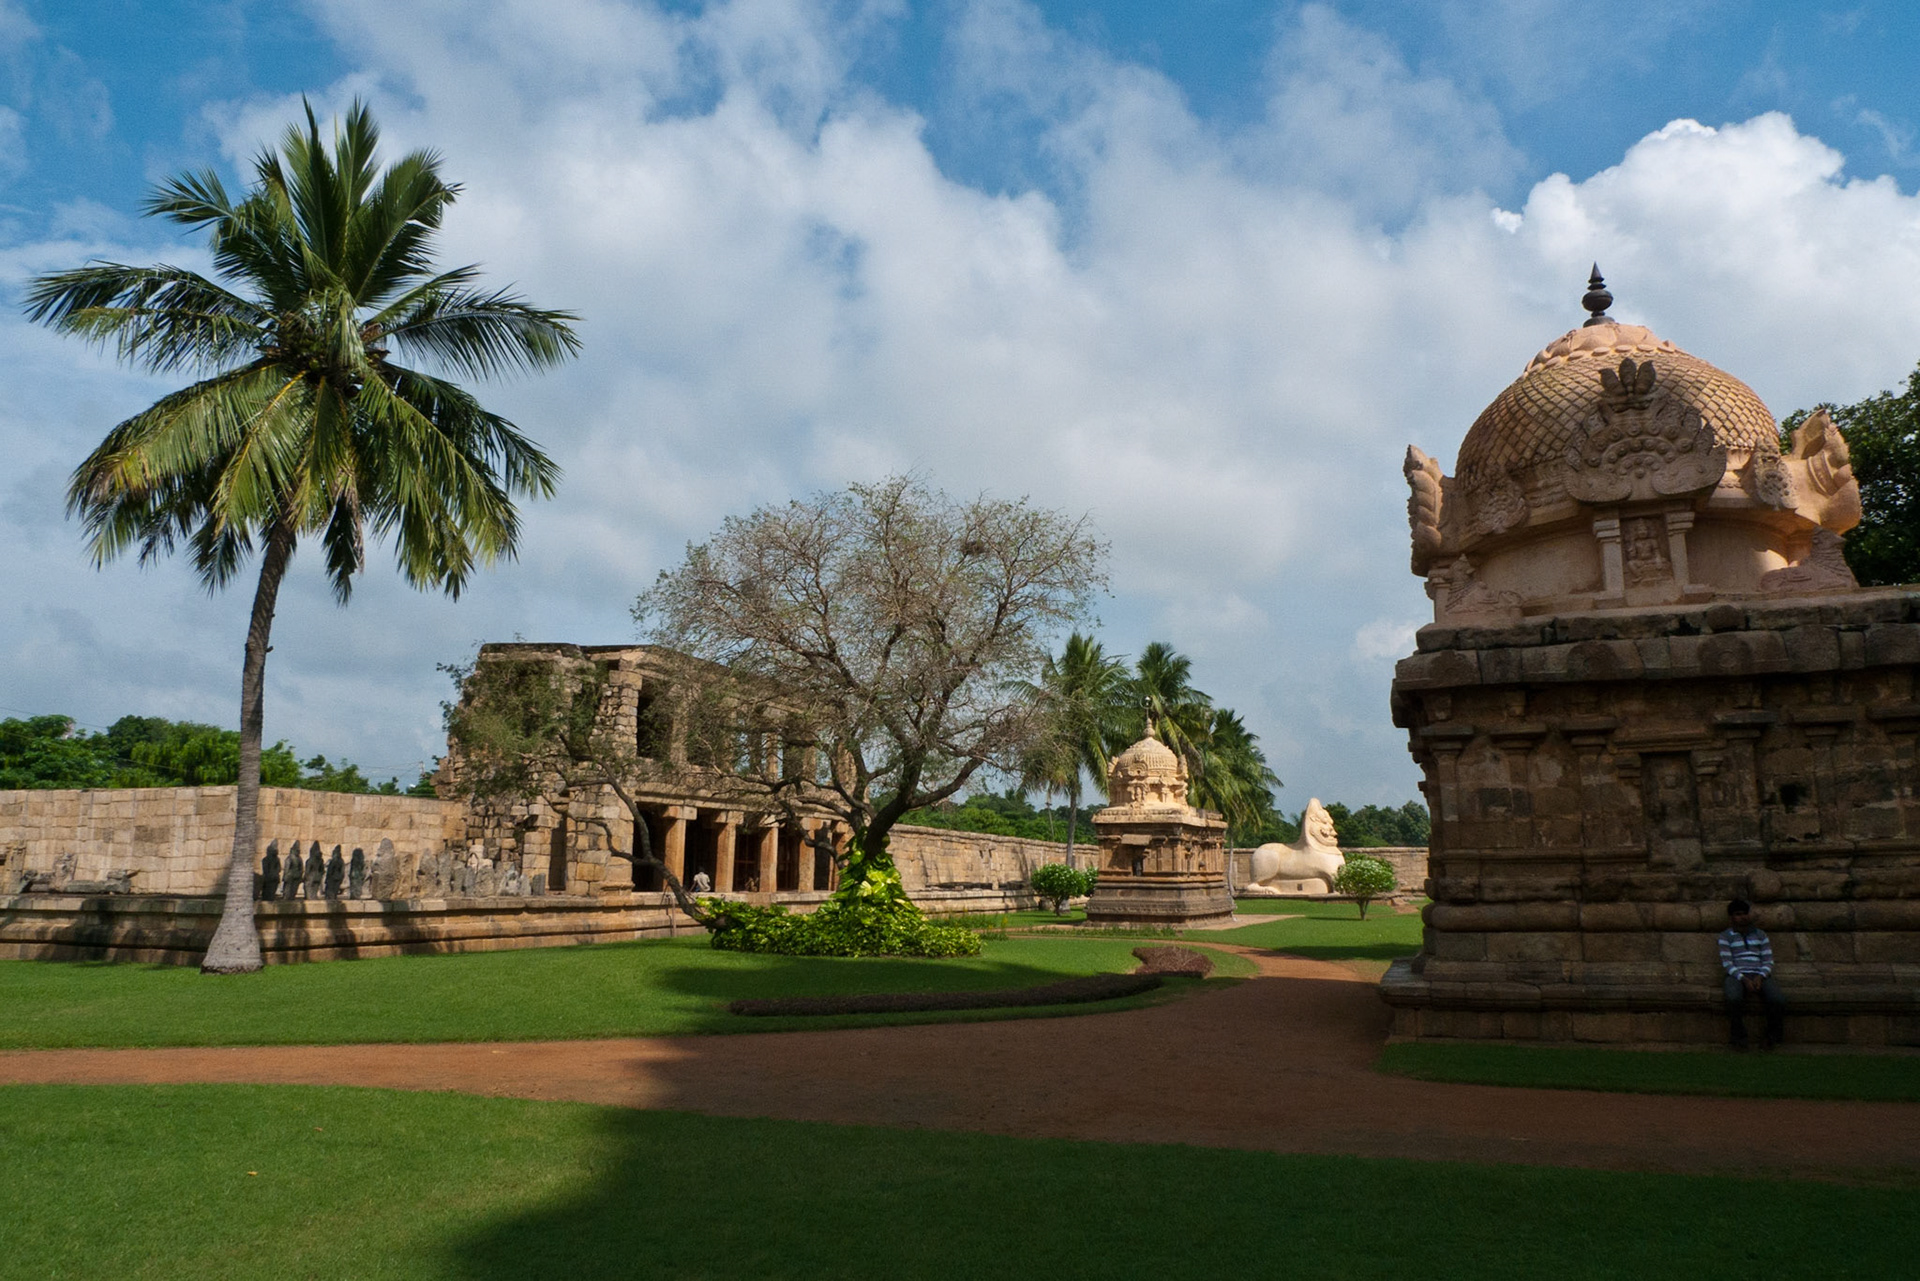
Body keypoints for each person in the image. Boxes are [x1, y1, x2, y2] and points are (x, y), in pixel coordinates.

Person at [1719, 898, 1785, 1050]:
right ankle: (1739, 1038)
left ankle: (1772, 1037)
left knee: (1777, 1000)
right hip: (1737, 974)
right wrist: (1743, 979)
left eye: (1744, 914)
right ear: (1731, 918)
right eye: (1738, 914)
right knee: (1733, 999)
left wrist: (1760, 976)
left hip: (1759, 973)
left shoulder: (1760, 935)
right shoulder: (1725, 936)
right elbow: (1727, 963)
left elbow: (1768, 960)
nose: (1742, 917)